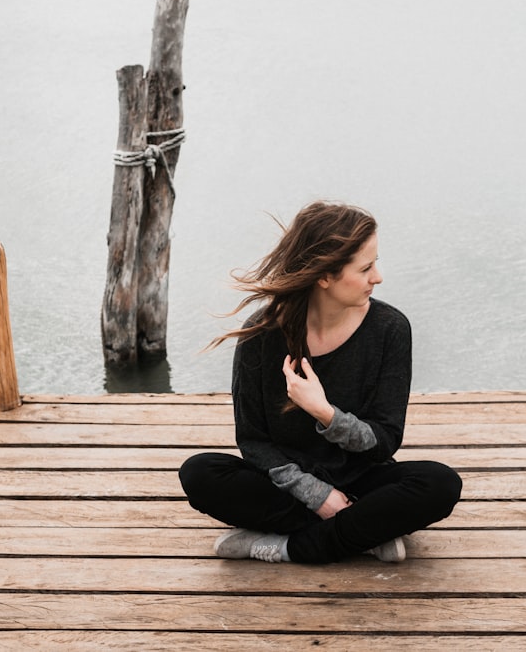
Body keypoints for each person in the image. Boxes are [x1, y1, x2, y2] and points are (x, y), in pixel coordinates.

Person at [179, 201, 462, 564]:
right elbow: (253, 442)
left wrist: (326, 414)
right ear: (325, 277)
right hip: (285, 484)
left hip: (362, 478)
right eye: (365, 268)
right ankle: (362, 534)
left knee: (440, 484)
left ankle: (284, 547)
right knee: (200, 473)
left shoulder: (390, 329)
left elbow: (385, 440)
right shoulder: (260, 335)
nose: (378, 277)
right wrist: (317, 496)